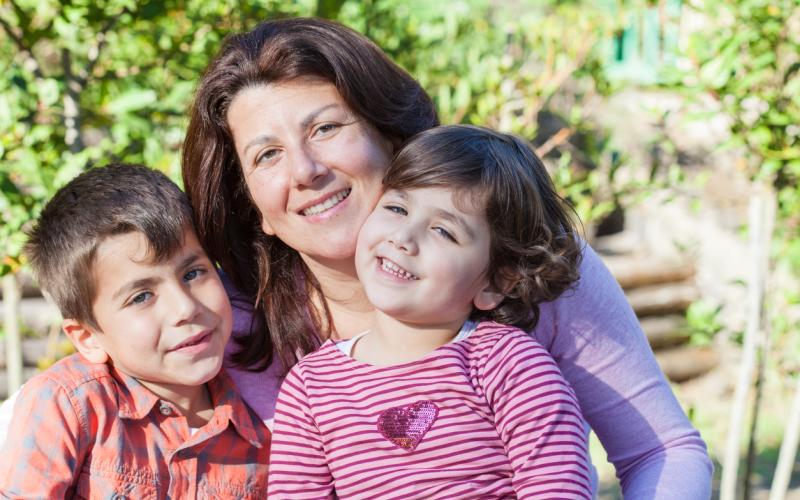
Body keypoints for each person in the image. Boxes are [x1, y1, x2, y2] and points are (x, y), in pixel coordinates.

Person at [179, 17, 712, 498]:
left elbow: (660, 450)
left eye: (325, 128)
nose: (304, 170)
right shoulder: (224, 322)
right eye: (266, 154)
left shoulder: (526, 265)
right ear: (253, 206)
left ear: (394, 142)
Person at [267, 124, 593, 499]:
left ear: (495, 284)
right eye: (395, 208)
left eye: (444, 232)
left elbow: (555, 489)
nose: (403, 239)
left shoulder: (510, 366)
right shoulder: (311, 387)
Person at [0, 164, 270, 498]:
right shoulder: (70, 404)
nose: (185, 308)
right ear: (88, 338)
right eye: (141, 296)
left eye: (193, 273)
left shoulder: (259, 438)